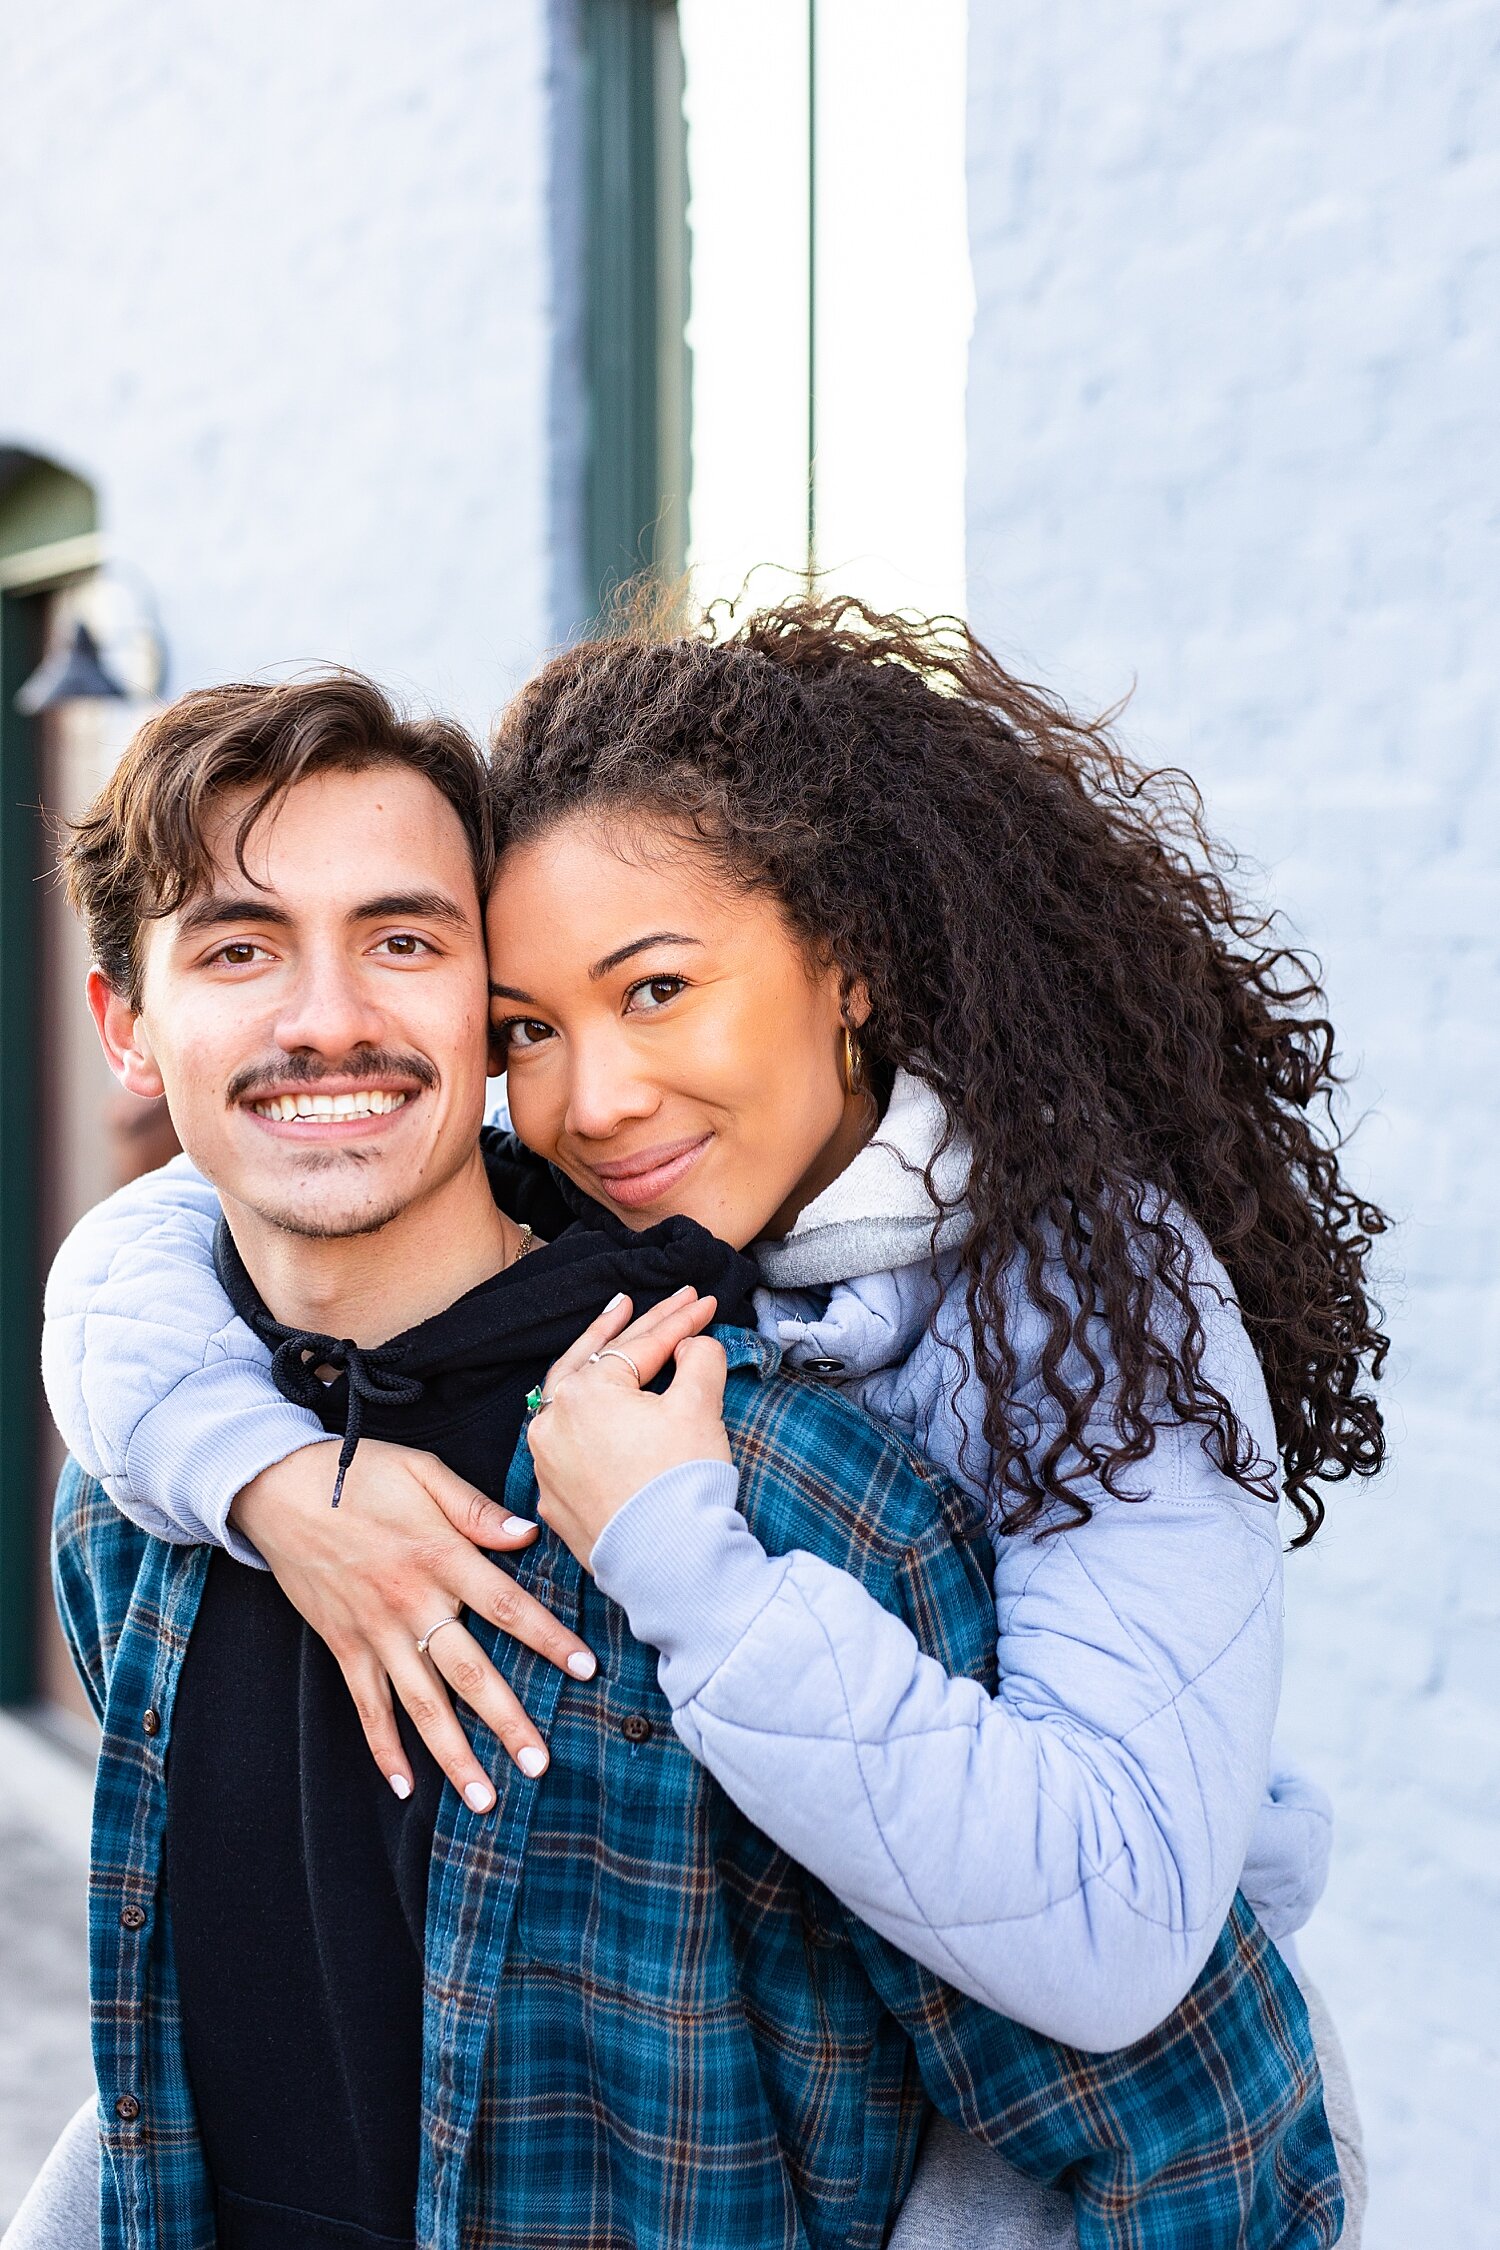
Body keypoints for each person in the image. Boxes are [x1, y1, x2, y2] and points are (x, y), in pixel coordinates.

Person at [19, 671, 1345, 2250]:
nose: (327, 1016)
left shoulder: (789, 1487)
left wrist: (688, 1555)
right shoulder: (137, 1503)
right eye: (238, 948)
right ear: (127, 1030)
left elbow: (1205, 2125)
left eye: (403, 941)